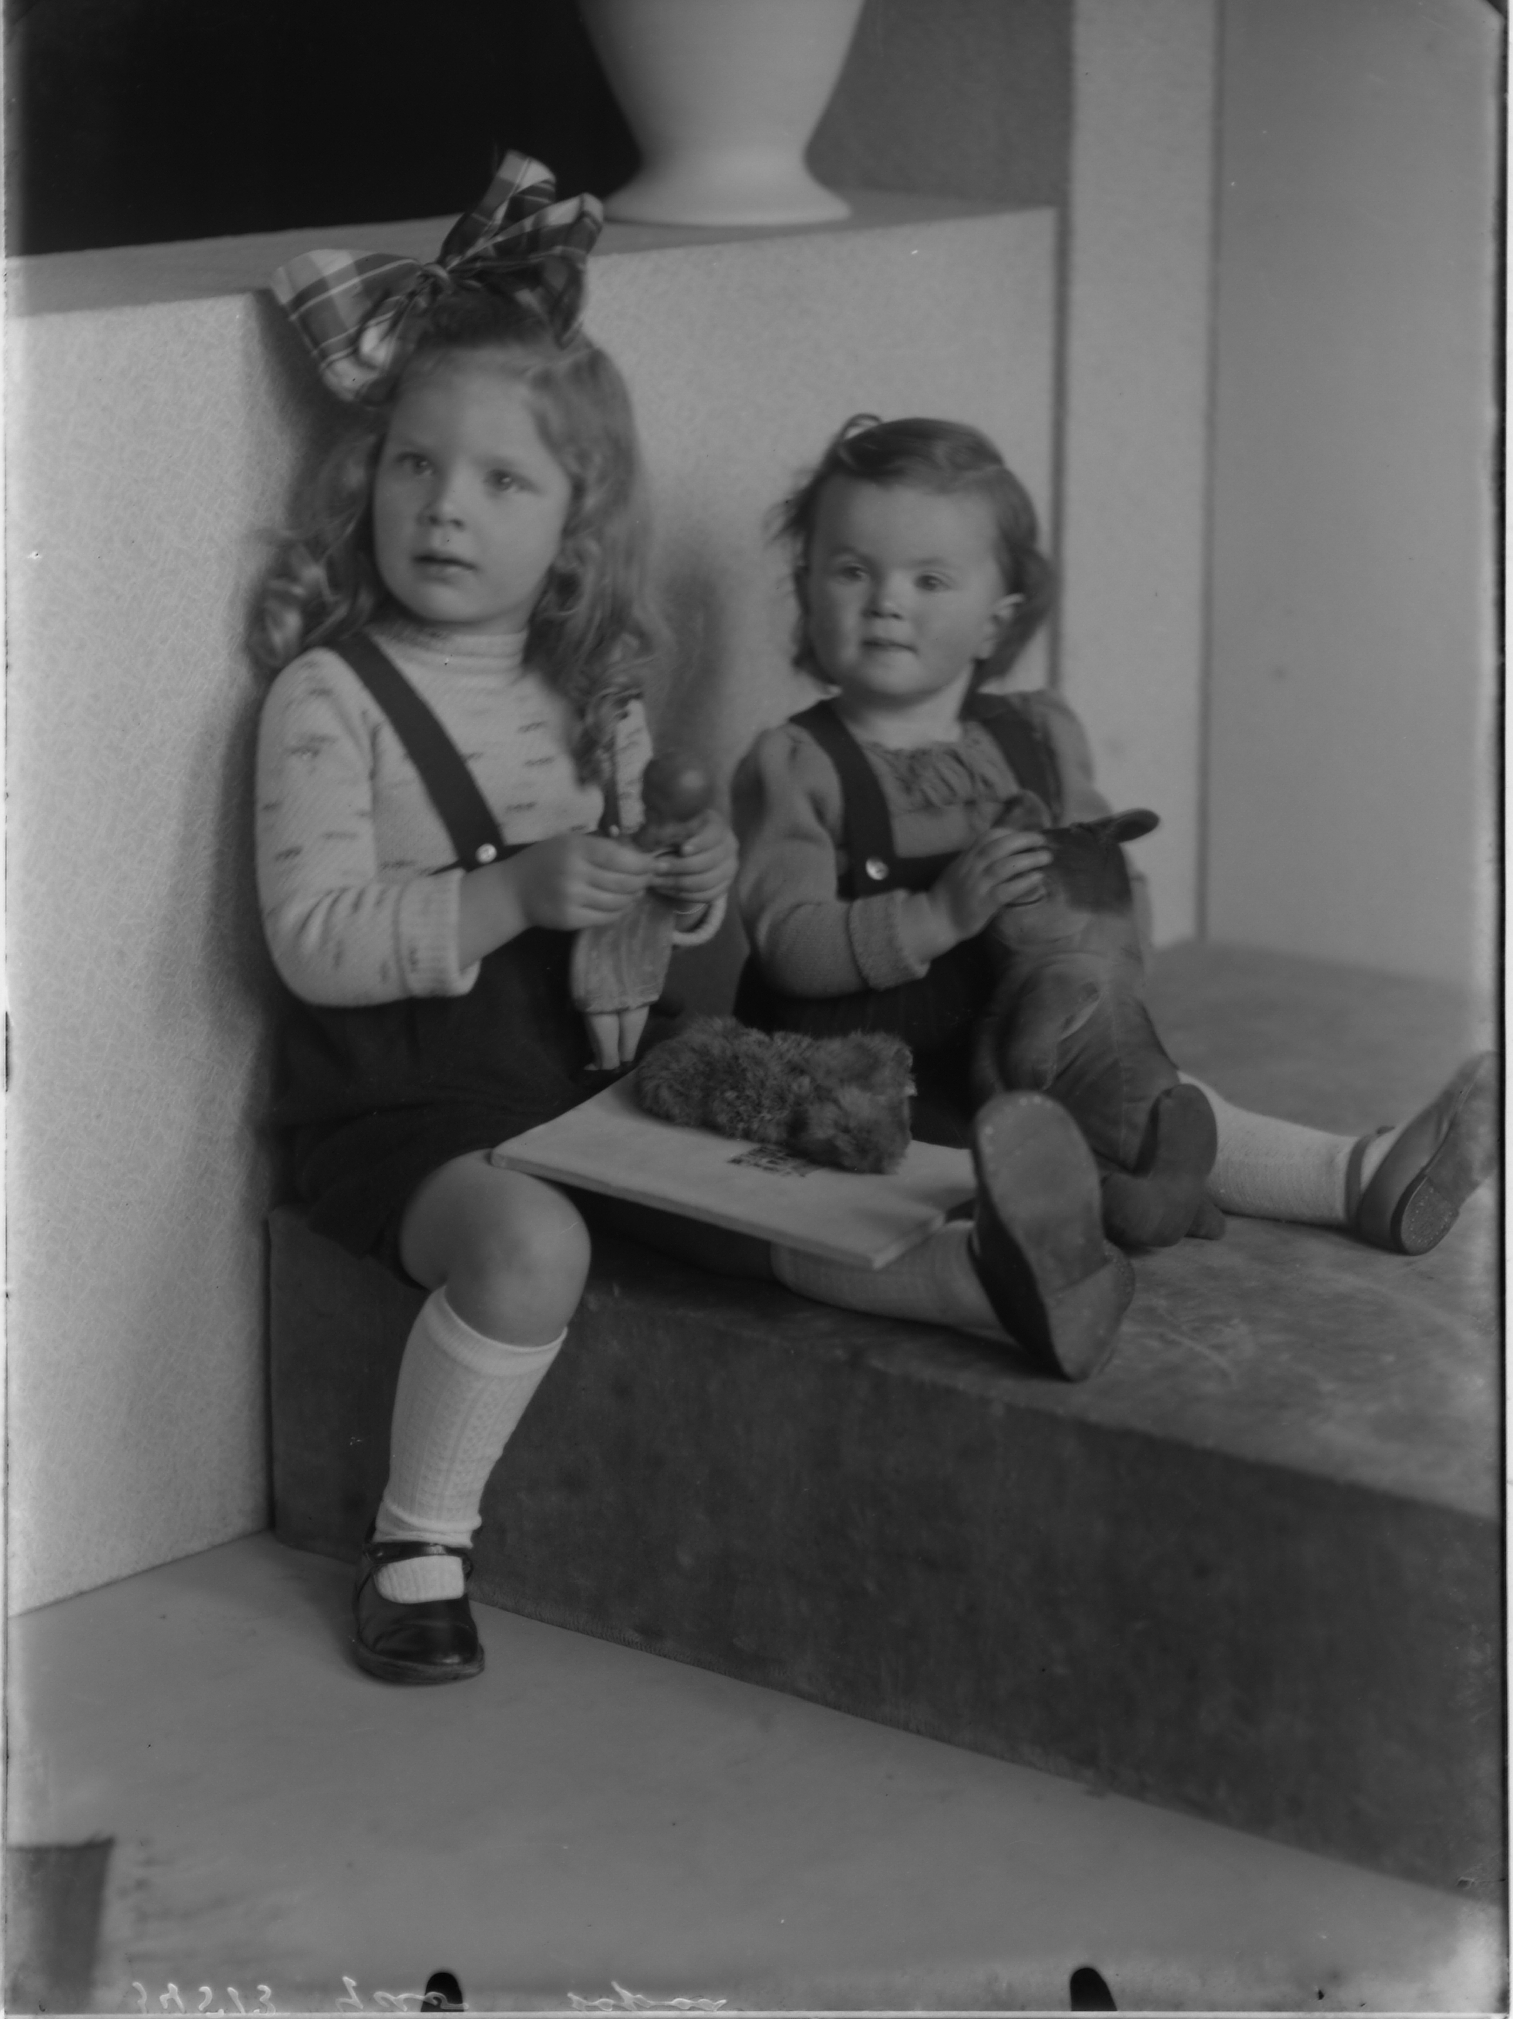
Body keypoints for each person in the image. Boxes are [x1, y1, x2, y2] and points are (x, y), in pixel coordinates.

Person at [257, 157, 738, 1686]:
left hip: (575, 1074)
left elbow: (629, 938)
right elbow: (313, 938)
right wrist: (513, 891)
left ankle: (1016, 1270)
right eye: (415, 465)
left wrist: (682, 881)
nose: (446, 508)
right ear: (367, 476)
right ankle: (417, 1546)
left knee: (798, 1164)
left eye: (501, 482)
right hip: (403, 1107)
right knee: (531, 1246)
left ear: (577, 523)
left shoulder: (587, 693)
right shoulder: (330, 697)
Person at [731, 414, 1497, 1368]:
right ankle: (1018, 1273)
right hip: (871, 1081)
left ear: (998, 617)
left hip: (1026, 1043)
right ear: (806, 586)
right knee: (889, 1193)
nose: (885, 602)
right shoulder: (799, 764)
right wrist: (935, 916)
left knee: (1169, 1105)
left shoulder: (1036, 739)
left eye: (928, 580)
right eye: (851, 570)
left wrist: (1096, 985)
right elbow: (787, 943)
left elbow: (1114, 888)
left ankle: (1356, 1175)